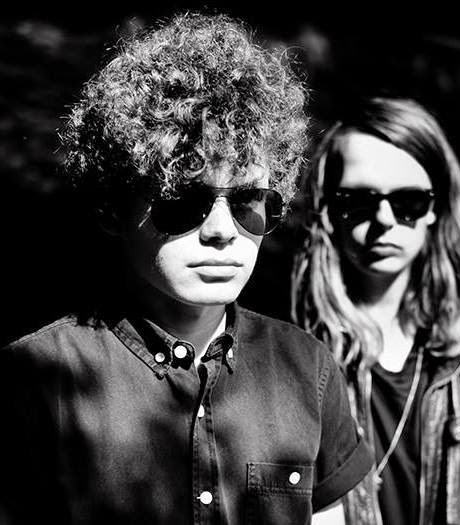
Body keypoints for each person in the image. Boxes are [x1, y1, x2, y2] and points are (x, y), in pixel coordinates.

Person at [0, 13, 372, 525]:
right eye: (182, 201)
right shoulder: (33, 380)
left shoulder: (309, 369)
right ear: (113, 209)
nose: (221, 230)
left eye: (247, 202)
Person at [292, 97, 460, 525]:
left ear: (436, 208)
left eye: (408, 202)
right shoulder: (293, 359)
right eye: (358, 200)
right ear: (328, 210)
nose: (384, 219)